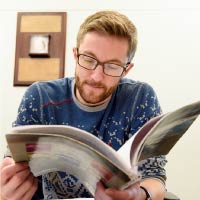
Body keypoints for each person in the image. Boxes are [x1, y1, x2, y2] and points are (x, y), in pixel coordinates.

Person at [0, 10, 167, 200]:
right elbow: (15, 162)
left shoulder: (140, 98)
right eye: (88, 60)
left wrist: (139, 196)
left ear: (126, 69)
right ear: (75, 55)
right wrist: (7, 188)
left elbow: (155, 176)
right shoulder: (39, 97)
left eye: (112, 66)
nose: (96, 76)